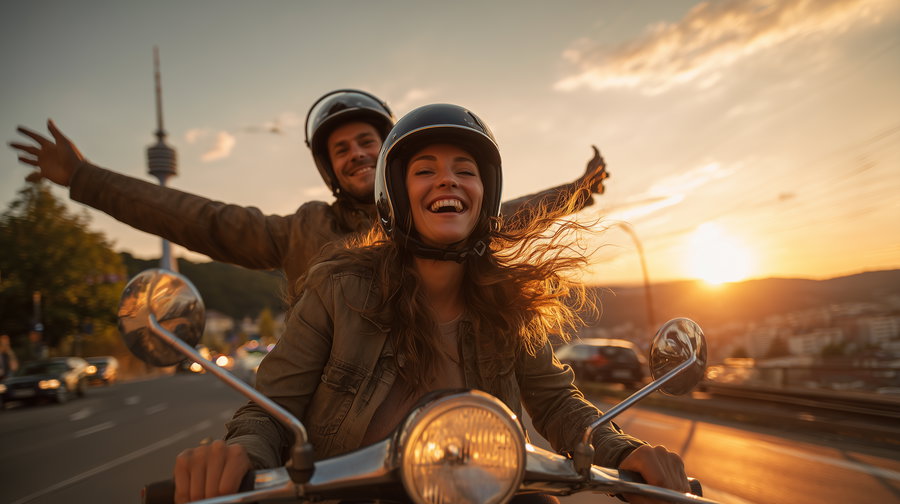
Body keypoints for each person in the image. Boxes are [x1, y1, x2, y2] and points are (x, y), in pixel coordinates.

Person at [171, 104, 688, 504]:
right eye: (424, 170)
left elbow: (555, 402)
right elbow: (273, 410)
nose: (448, 180)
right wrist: (241, 454)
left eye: (466, 170)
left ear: (485, 194)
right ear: (395, 193)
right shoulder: (337, 288)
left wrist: (625, 450)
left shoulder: (506, 303)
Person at [10, 90, 610, 300]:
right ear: (328, 167)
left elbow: (511, 212)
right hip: (325, 425)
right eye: (340, 148)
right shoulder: (299, 230)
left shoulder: (439, 219)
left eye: (367, 141)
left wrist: (577, 193)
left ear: (393, 152)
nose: (354, 153)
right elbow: (197, 218)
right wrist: (86, 179)